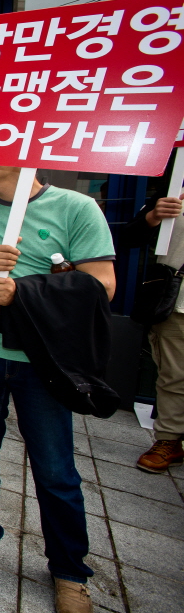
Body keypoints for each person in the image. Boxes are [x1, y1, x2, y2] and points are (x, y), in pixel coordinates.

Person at [0, 164, 116, 613]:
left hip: (43, 361)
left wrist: (26, 291)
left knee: (55, 468)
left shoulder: (76, 208)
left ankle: (69, 571)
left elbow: (104, 286)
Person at [122, 190, 184, 472]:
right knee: (174, 375)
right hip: (177, 304)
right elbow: (129, 237)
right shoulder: (174, 192)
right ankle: (169, 439)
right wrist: (153, 216)